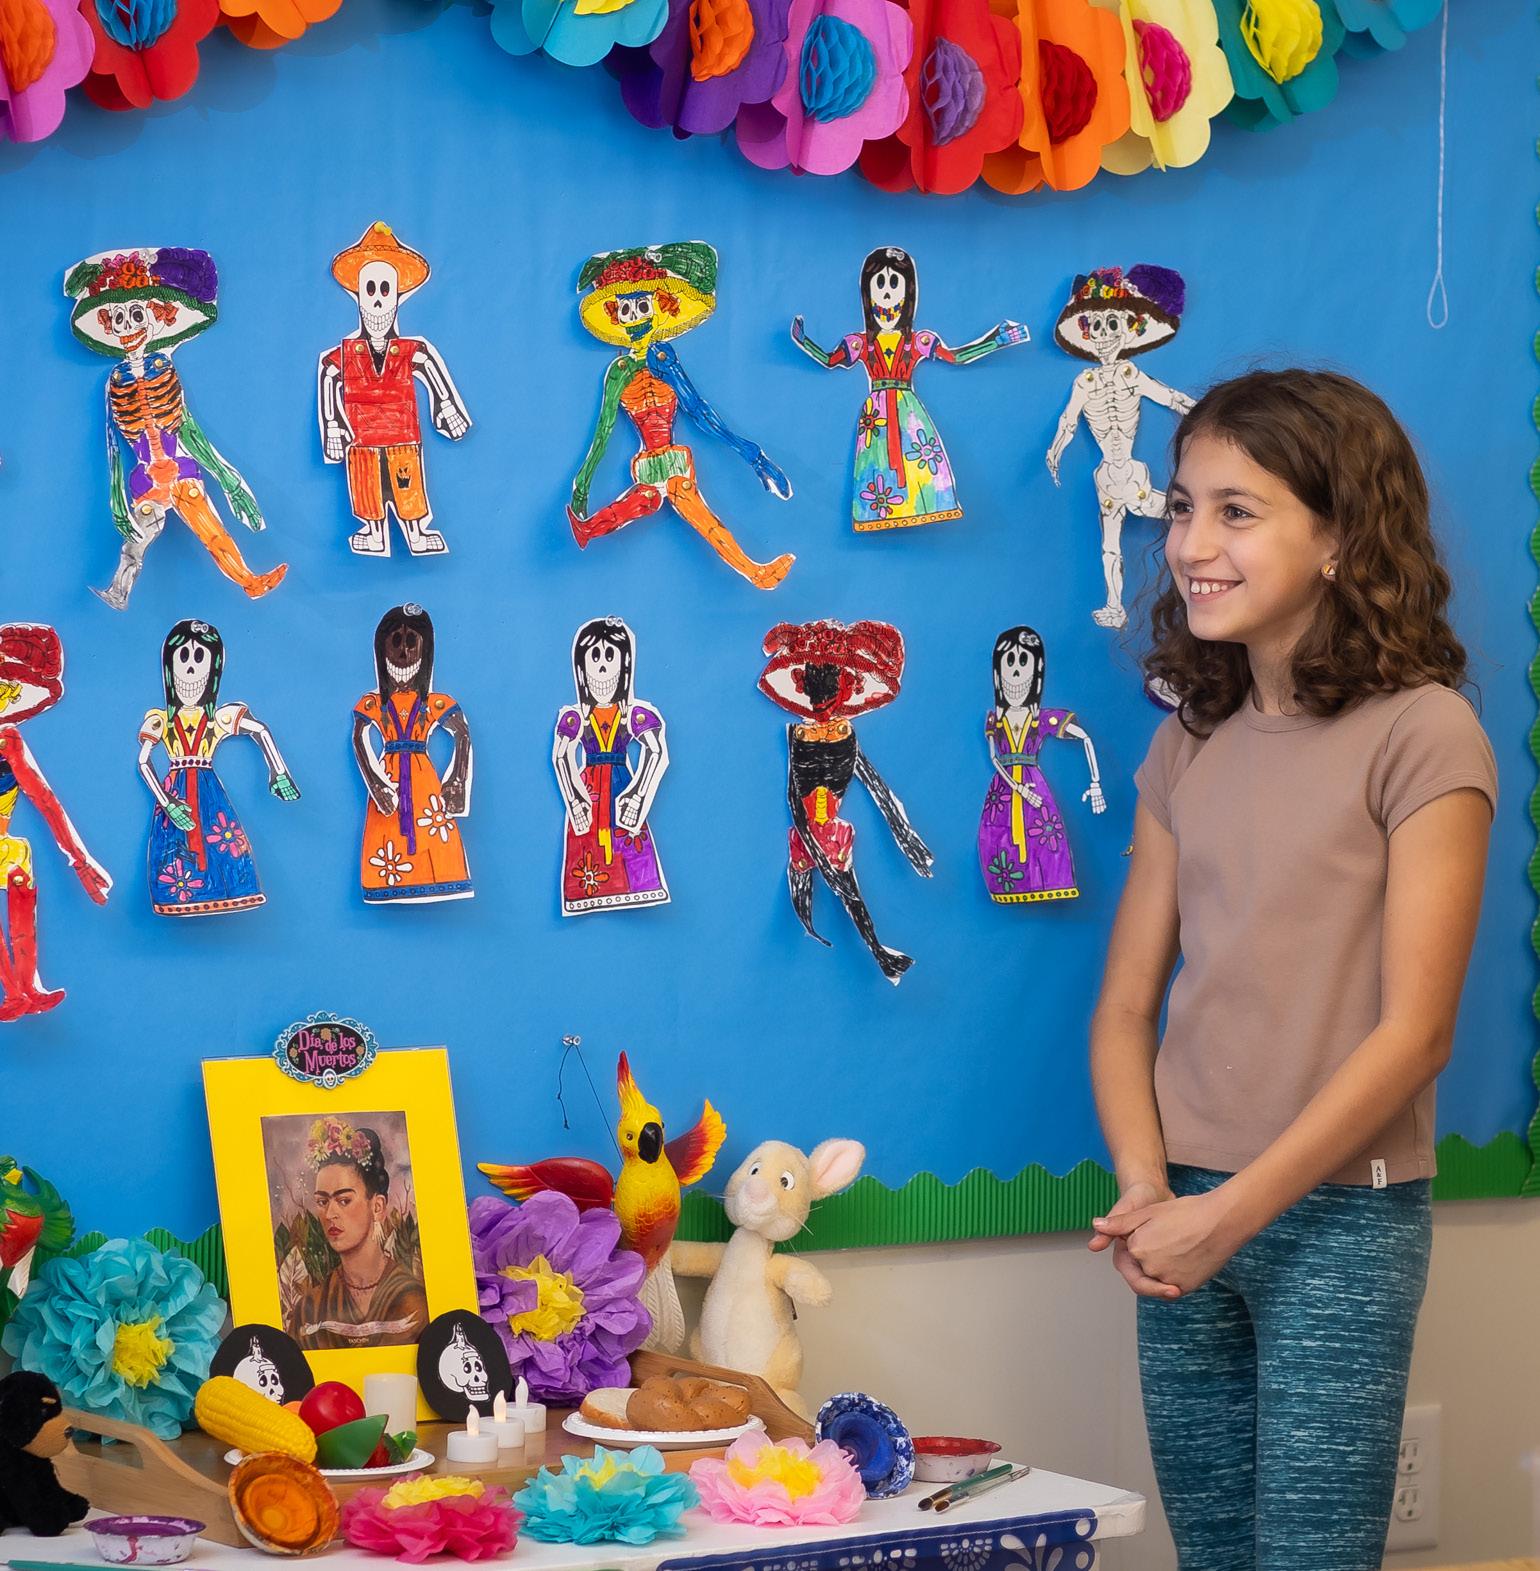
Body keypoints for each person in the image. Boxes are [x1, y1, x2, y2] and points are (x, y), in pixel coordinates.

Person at [1087, 369, 1497, 1569]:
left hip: (1339, 1221)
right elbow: (1124, 1006)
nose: (1190, 544)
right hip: (1182, 1213)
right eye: (1181, 507)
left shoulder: (1423, 732)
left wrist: (1228, 1214)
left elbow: (1416, 1033)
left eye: (1236, 510)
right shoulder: (1187, 740)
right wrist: (1149, 1190)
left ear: (1338, 537)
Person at [284, 1120, 428, 1351]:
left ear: (377, 1207)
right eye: (322, 1201)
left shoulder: (413, 1298)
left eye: (344, 1201)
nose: (330, 1214)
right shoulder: (310, 1307)